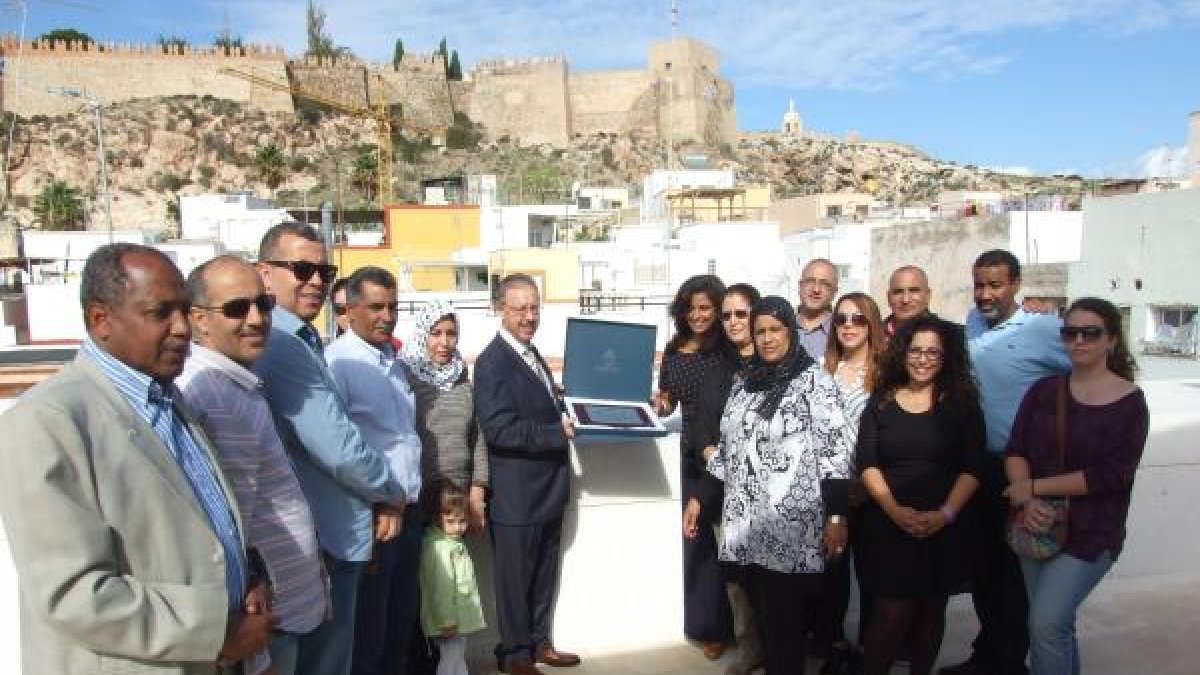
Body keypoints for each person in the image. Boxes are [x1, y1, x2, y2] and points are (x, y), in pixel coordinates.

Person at [0, 243, 272, 674]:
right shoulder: (47, 423)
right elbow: (74, 595)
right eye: (160, 313)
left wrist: (250, 582)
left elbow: (204, 529)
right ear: (100, 319)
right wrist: (217, 628)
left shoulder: (167, 400)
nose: (182, 328)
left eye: (183, 310)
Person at [254, 223, 408, 675]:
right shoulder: (281, 344)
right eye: (302, 269)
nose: (317, 281)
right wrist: (390, 491)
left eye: (324, 270)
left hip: (327, 535)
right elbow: (338, 446)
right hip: (322, 540)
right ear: (266, 274)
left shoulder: (299, 339)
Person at [178, 255, 330, 675]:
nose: (256, 318)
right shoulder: (213, 393)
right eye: (236, 308)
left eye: (262, 305)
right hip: (268, 626)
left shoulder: (234, 385)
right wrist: (256, 653)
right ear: (199, 319)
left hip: (285, 613)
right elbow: (230, 527)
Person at [706, 296, 854, 675]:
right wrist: (700, 498)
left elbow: (836, 453)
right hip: (746, 526)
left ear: (790, 330)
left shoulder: (815, 383)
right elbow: (727, 448)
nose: (767, 338)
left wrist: (837, 515)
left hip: (790, 527)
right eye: (760, 331)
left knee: (783, 621)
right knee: (762, 615)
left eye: (775, 329)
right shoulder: (744, 384)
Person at [1003, 297, 1148, 675]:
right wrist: (1028, 497)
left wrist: (1035, 487)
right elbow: (1016, 448)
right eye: (1071, 333)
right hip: (1036, 522)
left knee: (1046, 624)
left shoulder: (1130, 403)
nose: (1079, 341)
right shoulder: (1044, 391)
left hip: (1092, 531)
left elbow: (1113, 474)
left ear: (1111, 340)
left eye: (1090, 333)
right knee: (1054, 625)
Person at [944, 250, 1071, 675]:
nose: (985, 294)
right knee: (983, 571)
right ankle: (989, 654)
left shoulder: (1043, 328)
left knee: (1016, 575)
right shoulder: (973, 323)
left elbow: (1089, 363)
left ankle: (1008, 662)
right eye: (979, 284)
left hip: (1022, 471)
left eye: (995, 284)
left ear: (1016, 284)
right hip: (978, 469)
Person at [856, 315, 986, 675]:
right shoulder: (881, 401)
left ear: (947, 358)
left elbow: (973, 467)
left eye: (934, 352)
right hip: (888, 524)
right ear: (903, 353)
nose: (924, 359)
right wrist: (895, 510)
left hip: (944, 526)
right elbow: (867, 462)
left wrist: (944, 514)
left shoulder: (961, 403)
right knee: (891, 613)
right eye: (916, 351)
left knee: (931, 610)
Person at [474, 273, 580, 675]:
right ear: (502, 309)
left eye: (535, 308)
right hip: (516, 496)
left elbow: (539, 406)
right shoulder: (491, 362)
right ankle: (515, 655)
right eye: (521, 309)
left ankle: (539, 644)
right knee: (514, 583)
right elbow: (499, 429)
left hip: (548, 492)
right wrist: (556, 433)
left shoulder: (531, 354)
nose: (530, 316)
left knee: (542, 578)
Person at [325, 266, 425, 675]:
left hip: (409, 511)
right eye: (376, 307)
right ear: (350, 310)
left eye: (393, 307)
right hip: (374, 518)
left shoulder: (392, 361)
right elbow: (339, 449)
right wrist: (374, 505)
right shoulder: (338, 363)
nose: (387, 316)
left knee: (400, 623)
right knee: (370, 632)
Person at [653, 274, 735, 660]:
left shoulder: (728, 351)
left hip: (725, 456)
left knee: (732, 546)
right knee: (699, 544)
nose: (698, 315)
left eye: (705, 307)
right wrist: (662, 404)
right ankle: (711, 628)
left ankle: (741, 626)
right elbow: (670, 402)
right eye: (691, 308)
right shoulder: (673, 350)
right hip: (690, 457)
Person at [689, 283, 762, 675]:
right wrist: (709, 454)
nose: (733, 322)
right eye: (728, 315)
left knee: (769, 580)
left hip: (770, 500)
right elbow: (703, 430)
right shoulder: (718, 369)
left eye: (742, 314)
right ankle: (750, 648)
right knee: (735, 581)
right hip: (725, 492)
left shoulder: (777, 365)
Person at [813, 292, 887, 675]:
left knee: (873, 577)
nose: (848, 325)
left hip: (874, 490)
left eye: (858, 319)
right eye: (841, 319)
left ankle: (870, 651)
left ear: (871, 324)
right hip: (832, 491)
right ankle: (836, 645)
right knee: (832, 576)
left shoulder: (887, 373)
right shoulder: (822, 371)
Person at [403, 300, 489, 533]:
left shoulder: (461, 378)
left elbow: (477, 437)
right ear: (423, 334)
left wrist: (477, 493)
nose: (444, 342)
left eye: (451, 334)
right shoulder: (405, 376)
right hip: (418, 500)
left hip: (456, 505)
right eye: (436, 333)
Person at [420, 483, 487, 675]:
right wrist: (447, 620)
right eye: (450, 521)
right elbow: (441, 588)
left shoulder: (452, 543)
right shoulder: (441, 548)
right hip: (449, 621)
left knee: (456, 656)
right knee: (450, 660)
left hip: (458, 619)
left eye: (462, 521)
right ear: (436, 518)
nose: (458, 527)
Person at [796, 258, 839, 359]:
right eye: (810, 281)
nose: (816, 289)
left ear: (834, 292)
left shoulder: (843, 332)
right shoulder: (783, 328)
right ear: (800, 285)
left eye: (825, 284)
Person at [885, 266, 932, 342]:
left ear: (928, 295)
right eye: (898, 292)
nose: (905, 300)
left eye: (913, 291)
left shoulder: (952, 336)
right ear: (888, 298)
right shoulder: (873, 336)